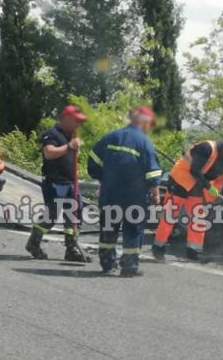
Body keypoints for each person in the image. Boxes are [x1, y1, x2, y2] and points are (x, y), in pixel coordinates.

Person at [88, 106, 162, 277]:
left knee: (108, 228)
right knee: (133, 230)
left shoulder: (111, 136)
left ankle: (107, 264)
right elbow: (153, 172)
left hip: (110, 193)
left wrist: (102, 178)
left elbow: (93, 160)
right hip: (133, 197)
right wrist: (156, 194)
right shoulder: (144, 143)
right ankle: (129, 267)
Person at [153, 140, 223, 261]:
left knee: (198, 219)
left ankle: (193, 251)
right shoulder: (206, 148)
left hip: (196, 187)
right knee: (170, 216)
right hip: (179, 181)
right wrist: (209, 187)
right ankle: (158, 248)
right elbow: (194, 171)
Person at [25, 105, 91, 262]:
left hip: (70, 182)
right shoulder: (52, 134)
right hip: (55, 181)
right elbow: (49, 153)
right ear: (67, 119)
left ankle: (71, 249)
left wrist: (75, 147)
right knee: (52, 214)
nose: (78, 125)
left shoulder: (72, 136)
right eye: (76, 121)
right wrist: (69, 147)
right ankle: (33, 243)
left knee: (75, 213)